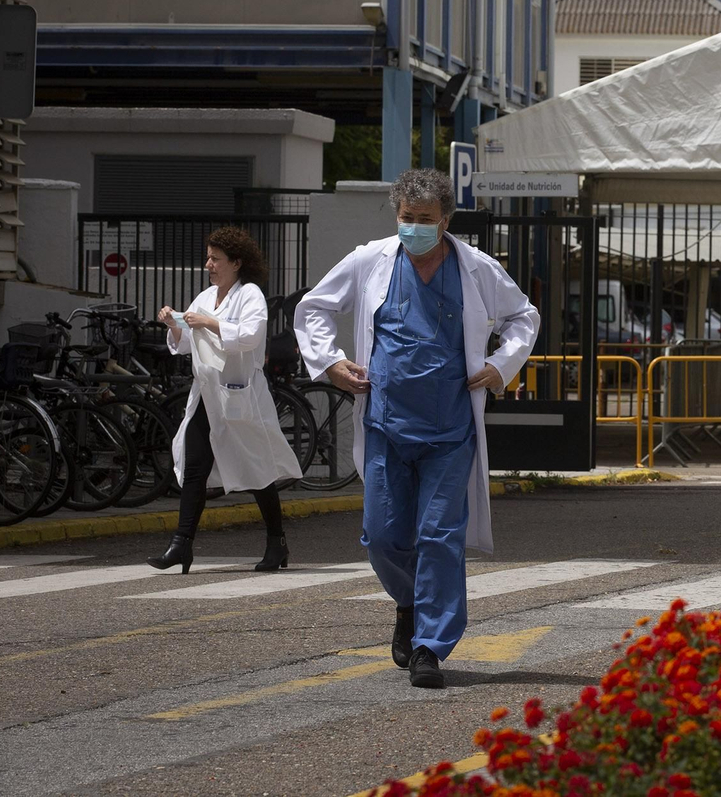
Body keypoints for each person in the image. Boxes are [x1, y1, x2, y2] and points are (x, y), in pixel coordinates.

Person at [293, 168, 540, 689]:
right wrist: (331, 363)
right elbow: (312, 308)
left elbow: (524, 316)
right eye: (407, 219)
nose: (414, 229)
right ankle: (408, 602)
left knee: (439, 537)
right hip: (386, 425)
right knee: (383, 537)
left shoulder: (476, 269)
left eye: (426, 220)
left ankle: (431, 644)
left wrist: (503, 364)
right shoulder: (370, 262)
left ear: (446, 220)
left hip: (449, 431)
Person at [148, 227, 304, 574]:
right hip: (206, 398)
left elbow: (249, 337)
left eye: (216, 259)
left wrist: (210, 322)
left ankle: (276, 542)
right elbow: (186, 343)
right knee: (194, 469)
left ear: (236, 262)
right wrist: (174, 324)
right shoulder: (205, 297)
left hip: (239, 398)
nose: (209, 265)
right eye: (208, 258)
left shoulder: (250, 296)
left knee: (257, 471)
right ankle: (181, 545)